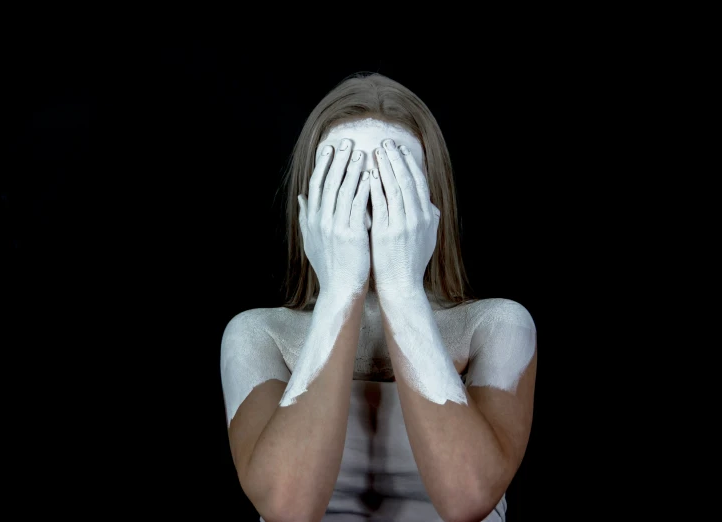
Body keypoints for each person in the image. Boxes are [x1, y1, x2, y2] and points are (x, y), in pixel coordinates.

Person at [220, 72, 537, 522]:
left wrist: (401, 285)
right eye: (344, 184)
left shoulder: (498, 327)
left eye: (394, 183)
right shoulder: (256, 335)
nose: (368, 206)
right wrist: (340, 290)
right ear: (310, 202)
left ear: (431, 200)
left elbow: (468, 497)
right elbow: (288, 507)